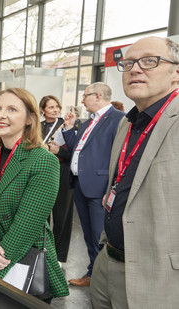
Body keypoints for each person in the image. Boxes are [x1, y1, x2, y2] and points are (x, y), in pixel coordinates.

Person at [90, 36, 179, 309]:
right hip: (109, 262)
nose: (135, 69)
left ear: (176, 72)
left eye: (150, 61)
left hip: (157, 276)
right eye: (128, 63)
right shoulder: (128, 124)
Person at [0, 88, 68, 302]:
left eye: (12, 109)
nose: (1, 115)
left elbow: (26, 227)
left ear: (29, 118)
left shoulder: (43, 161)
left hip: (21, 262)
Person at [62, 82, 125, 287]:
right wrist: (70, 128)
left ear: (97, 96)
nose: (82, 100)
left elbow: (121, 157)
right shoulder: (89, 121)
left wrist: (113, 188)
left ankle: (102, 279)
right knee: (89, 236)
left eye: (85, 96)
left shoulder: (117, 119)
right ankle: (92, 273)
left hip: (100, 188)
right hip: (81, 185)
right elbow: (76, 149)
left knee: (99, 236)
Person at [39, 95, 73, 265]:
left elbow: (74, 153)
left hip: (62, 174)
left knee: (62, 217)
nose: (55, 110)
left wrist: (59, 151)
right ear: (42, 110)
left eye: (57, 107)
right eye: (51, 107)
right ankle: (41, 250)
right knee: (41, 216)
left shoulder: (67, 126)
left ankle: (59, 257)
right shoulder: (36, 127)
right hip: (41, 174)